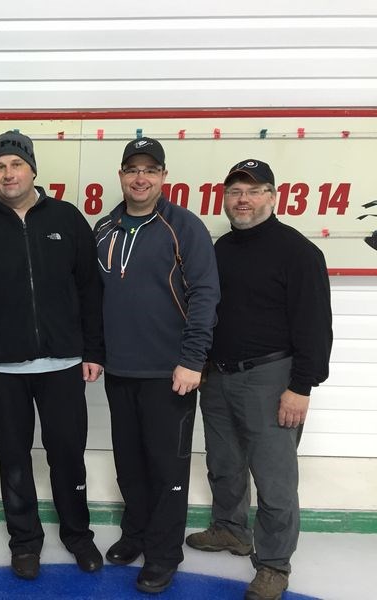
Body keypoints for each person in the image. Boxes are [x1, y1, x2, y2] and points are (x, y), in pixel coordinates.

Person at [0, 130, 105, 580]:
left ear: (33, 169)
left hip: (63, 366)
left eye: (15, 164)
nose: (8, 173)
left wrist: (94, 350)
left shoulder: (68, 218)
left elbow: (90, 290)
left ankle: (78, 535)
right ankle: (24, 542)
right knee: (14, 460)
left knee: (68, 456)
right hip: (1, 370)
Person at [186, 159, 332, 600]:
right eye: (235, 192)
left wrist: (301, 387)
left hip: (272, 378)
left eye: (253, 191)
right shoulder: (220, 250)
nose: (242, 200)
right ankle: (231, 529)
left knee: (274, 479)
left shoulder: (299, 253)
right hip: (218, 376)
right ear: (224, 198)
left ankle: (273, 565)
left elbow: (315, 327)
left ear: (272, 196)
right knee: (224, 465)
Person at [94, 137, 220, 593]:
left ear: (164, 176)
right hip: (120, 370)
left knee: (167, 470)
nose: (140, 178)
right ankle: (137, 535)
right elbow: (93, 298)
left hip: (172, 374)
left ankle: (164, 554)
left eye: (150, 169)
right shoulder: (105, 227)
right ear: (122, 175)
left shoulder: (183, 226)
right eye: (132, 169)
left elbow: (205, 295)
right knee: (130, 465)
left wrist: (192, 360)